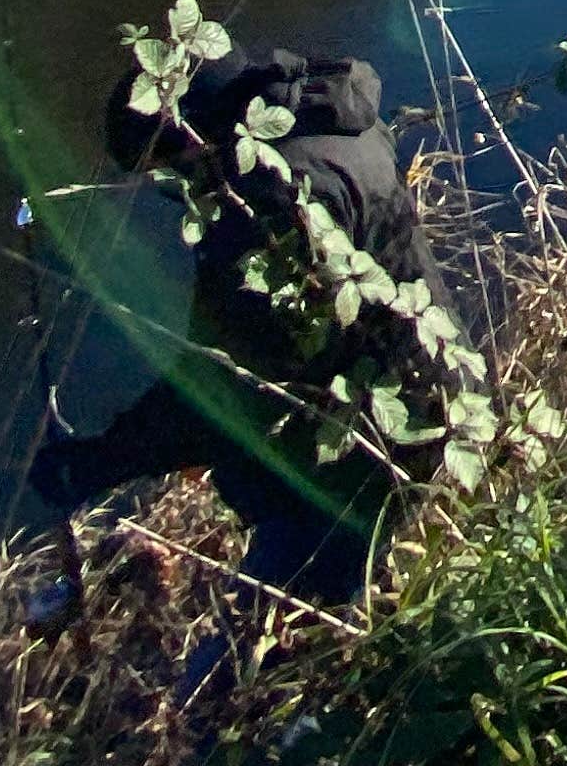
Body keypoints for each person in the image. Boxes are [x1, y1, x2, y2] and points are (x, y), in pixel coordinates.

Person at [23, 39, 438, 662]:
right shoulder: (326, 119)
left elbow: (223, 387)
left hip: (367, 454)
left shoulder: (262, 214)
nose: (174, 191)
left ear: (191, 140)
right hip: (422, 388)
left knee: (222, 679)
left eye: (167, 172)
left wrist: (91, 465)